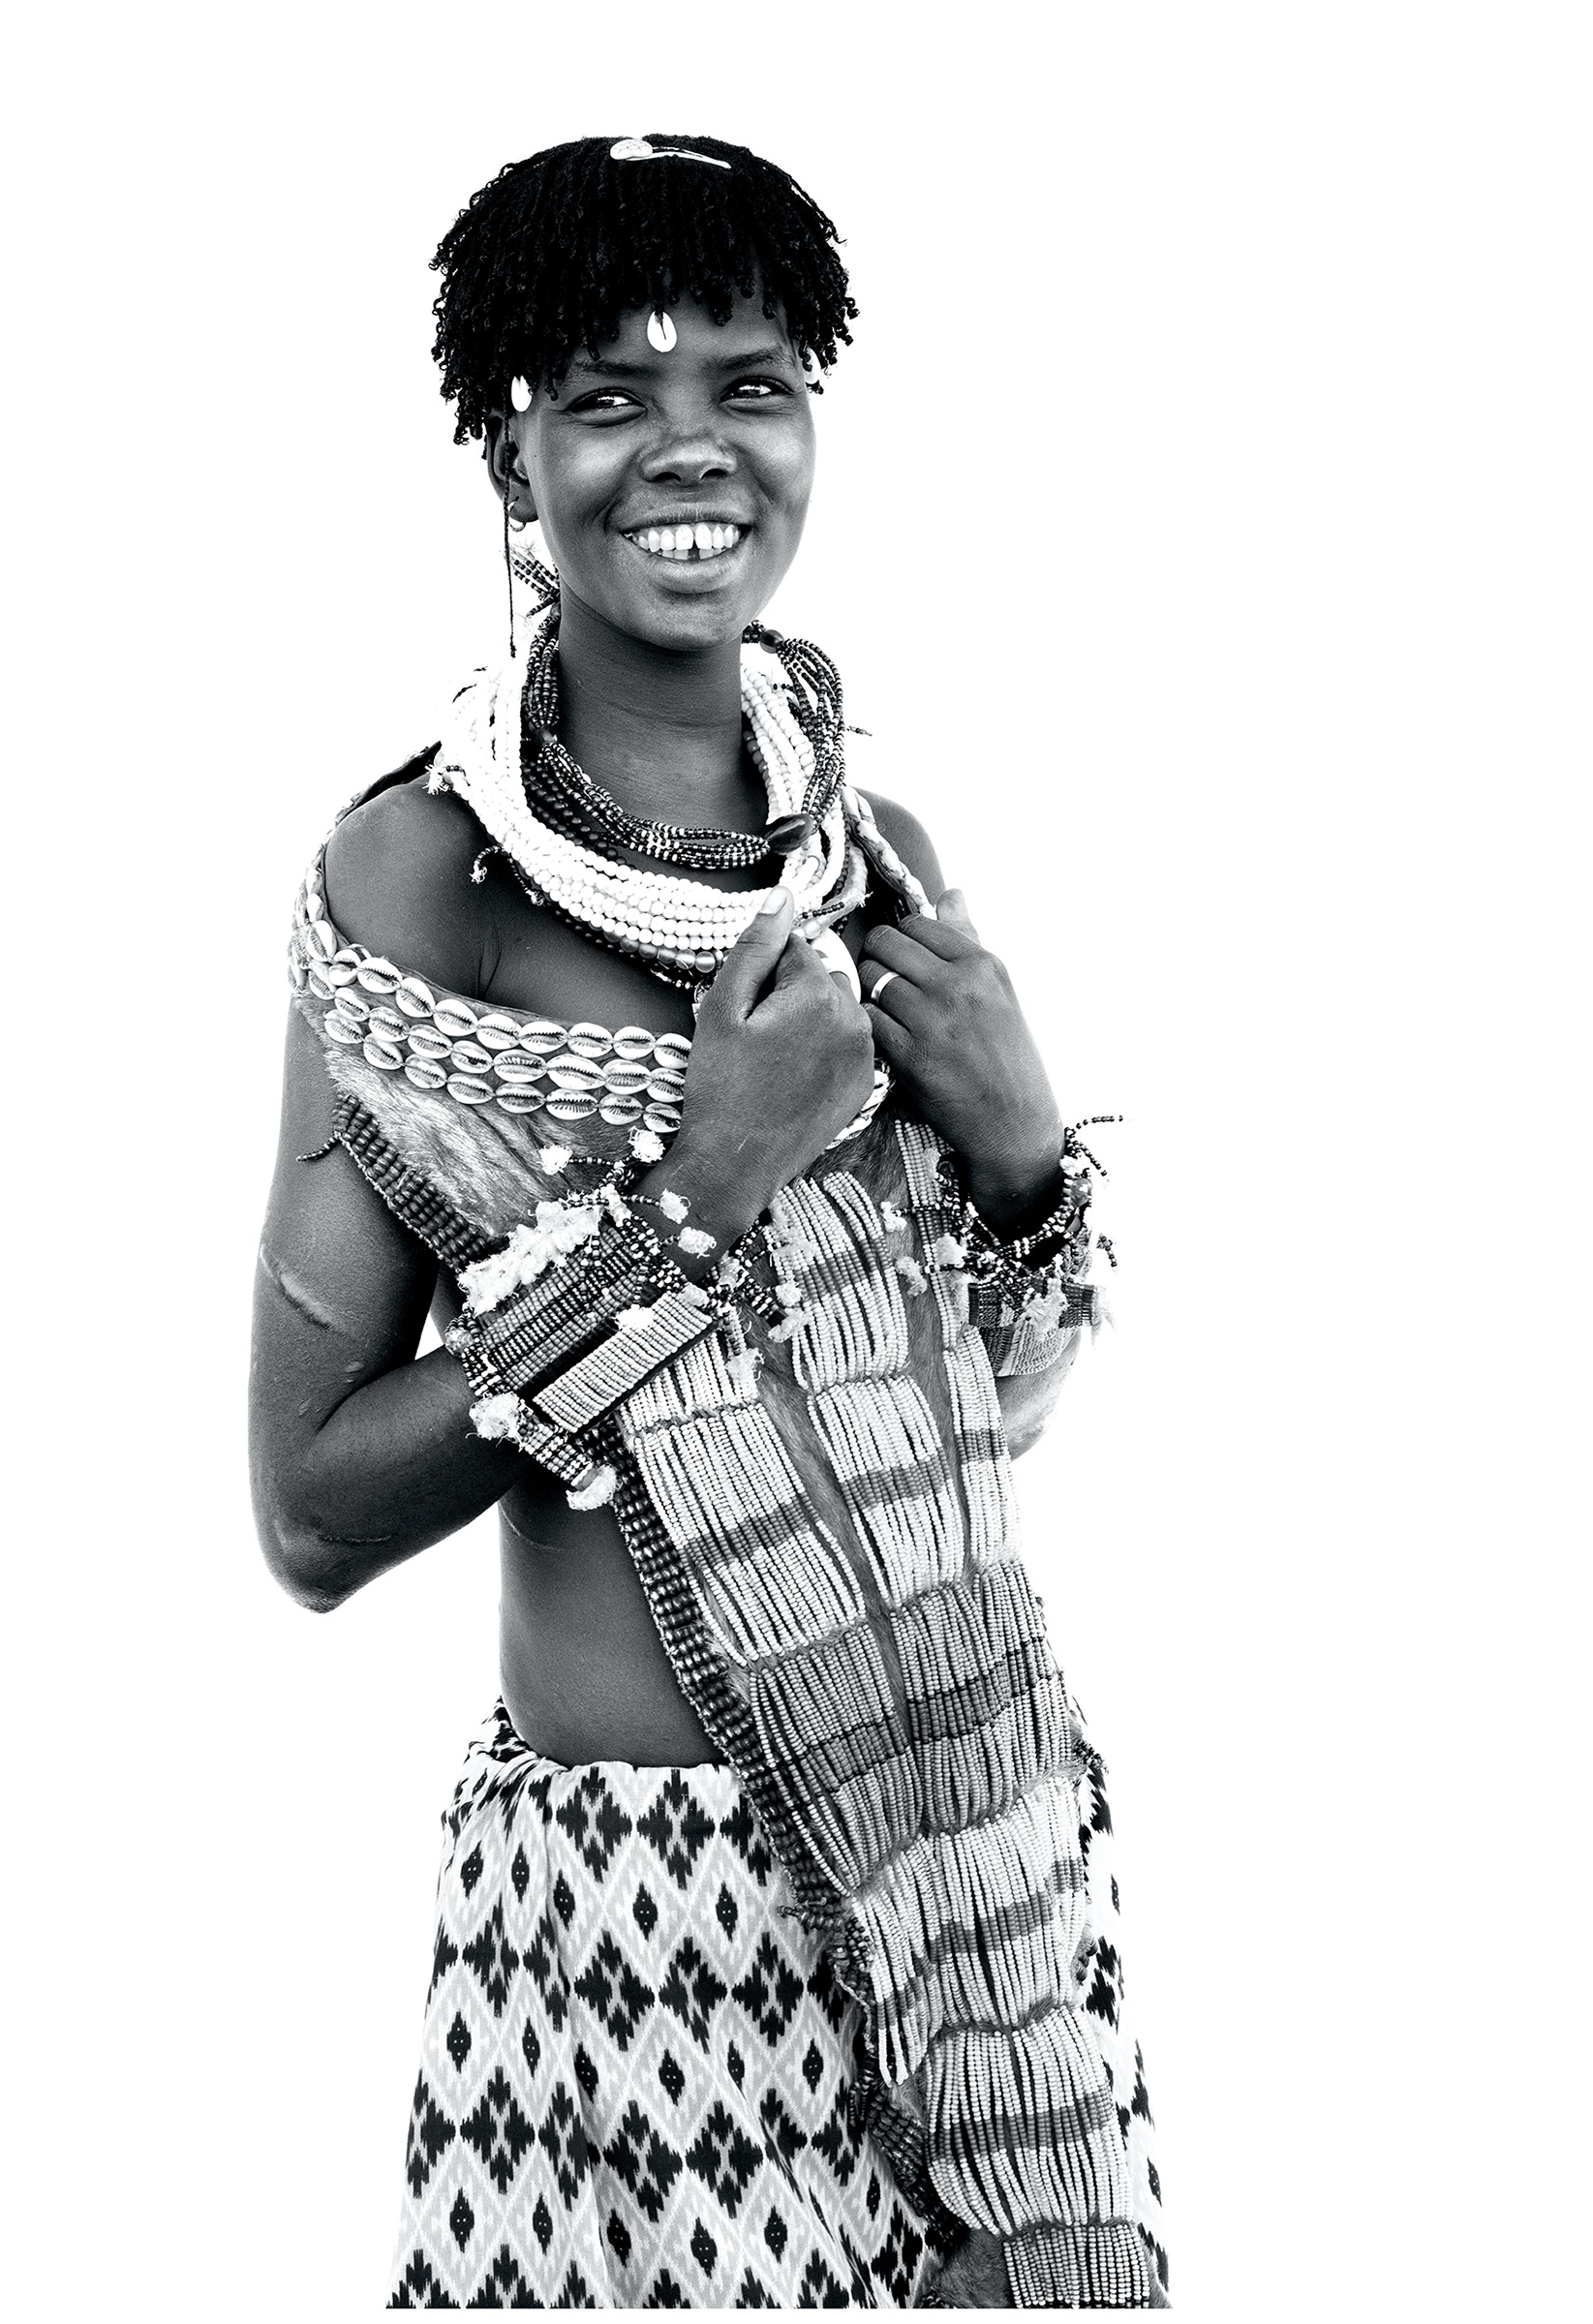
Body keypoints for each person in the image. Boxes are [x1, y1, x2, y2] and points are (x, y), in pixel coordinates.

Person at [249, 134, 1166, 2309]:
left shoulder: (886, 859)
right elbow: (304, 1518)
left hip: (979, 1863)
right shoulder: (423, 886)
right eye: (606, 396)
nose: (692, 452)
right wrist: (693, 1194)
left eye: (750, 385)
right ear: (508, 462)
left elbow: (986, 1404)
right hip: (646, 1953)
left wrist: (1029, 1156)